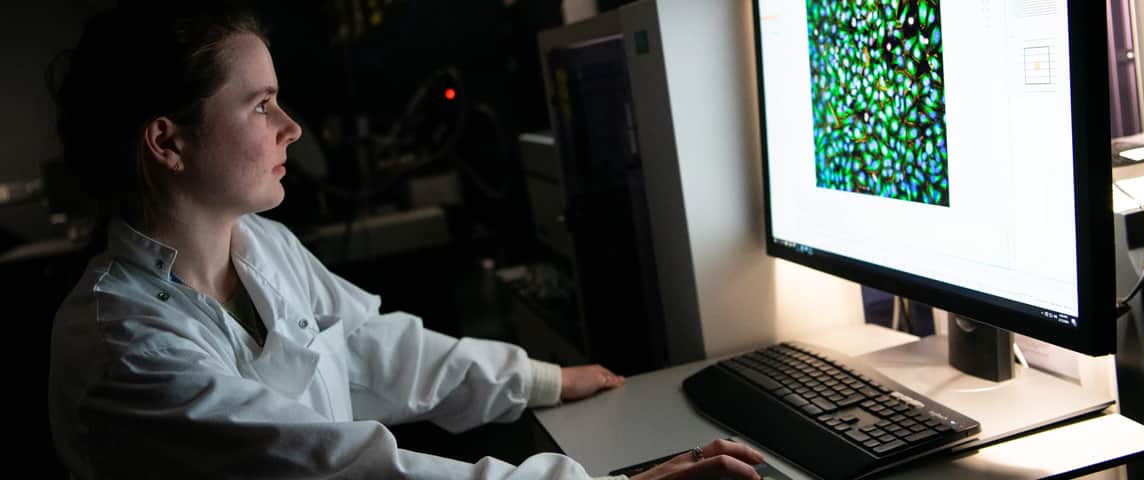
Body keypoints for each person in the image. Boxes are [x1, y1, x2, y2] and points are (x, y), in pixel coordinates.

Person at [47, 3, 764, 478]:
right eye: (261, 105)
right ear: (167, 142)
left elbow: (376, 346)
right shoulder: (124, 347)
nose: (291, 128)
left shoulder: (261, 248)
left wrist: (542, 379)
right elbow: (341, 468)